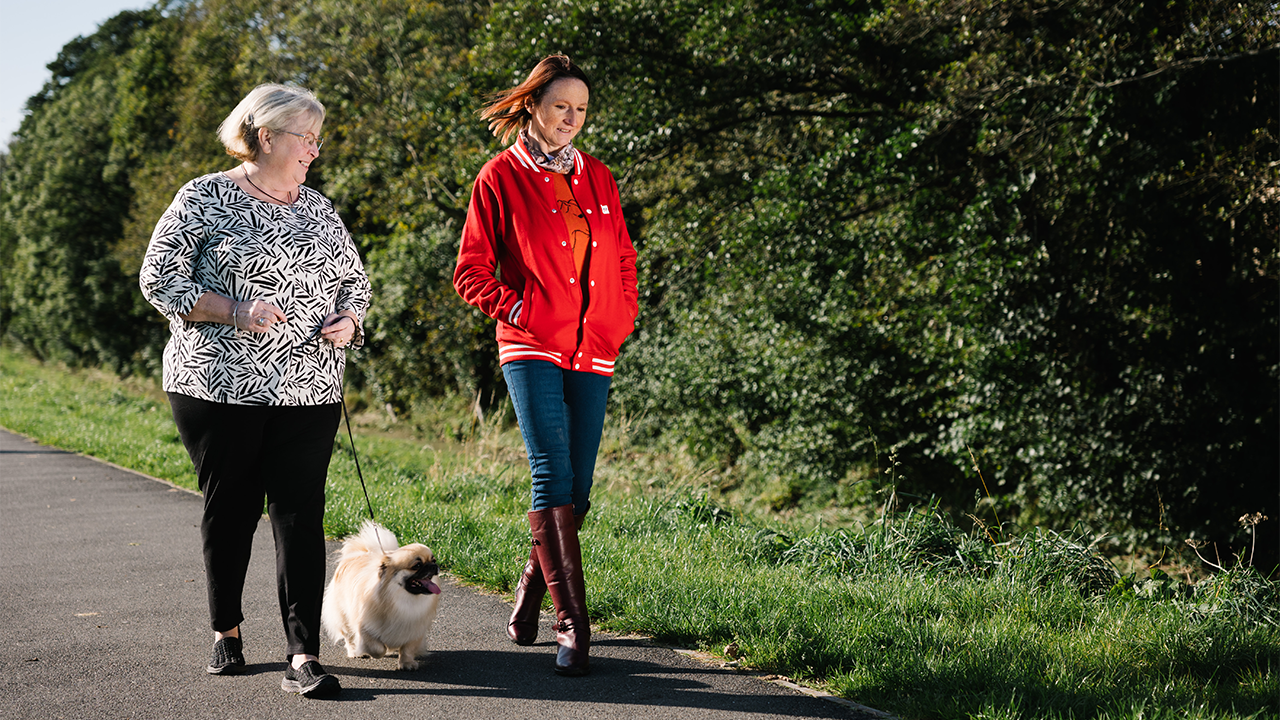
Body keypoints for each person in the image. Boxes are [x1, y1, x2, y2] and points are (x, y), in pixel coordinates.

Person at [139, 83, 370, 698]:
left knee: (300, 513)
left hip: (310, 385)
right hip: (217, 384)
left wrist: (349, 321)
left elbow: (355, 283)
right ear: (266, 136)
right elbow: (159, 280)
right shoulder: (204, 197)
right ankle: (228, 630)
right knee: (233, 507)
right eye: (306, 137)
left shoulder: (319, 209)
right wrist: (232, 309)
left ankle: (303, 654)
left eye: (318, 138)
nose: (315, 150)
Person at [453, 55, 639, 677]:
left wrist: (620, 317)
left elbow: (622, 262)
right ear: (533, 105)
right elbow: (470, 272)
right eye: (562, 106)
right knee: (550, 475)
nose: (572, 119)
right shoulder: (499, 177)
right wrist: (523, 310)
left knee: (578, 488)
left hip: (594, 346)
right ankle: (574, 627)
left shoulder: (600, 176)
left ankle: (532, 592)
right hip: (530, 345)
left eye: (581, 110)